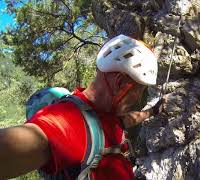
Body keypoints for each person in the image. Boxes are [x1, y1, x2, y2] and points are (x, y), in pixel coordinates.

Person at [0, 35, 165, 179]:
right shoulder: (68, 120)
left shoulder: (102, 113)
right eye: (140, 91)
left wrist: (152, 111)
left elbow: (122, 122)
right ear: (120, 83)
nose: (138, 98)